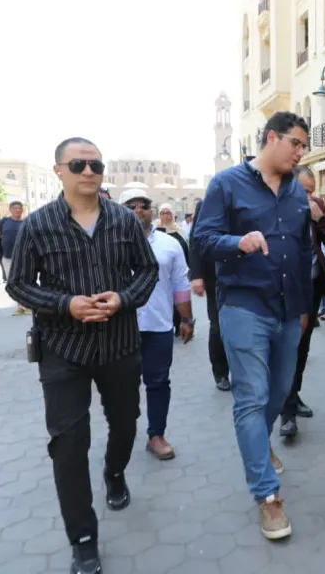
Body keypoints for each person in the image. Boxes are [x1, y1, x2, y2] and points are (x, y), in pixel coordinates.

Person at [5, 137, 159, 574]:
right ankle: (84, 539)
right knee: (68, 446)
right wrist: (65, 304)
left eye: (96, 164)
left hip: (119, 345)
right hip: (62, 350)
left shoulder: (124, 220)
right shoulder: (38, 224)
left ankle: (115, 472)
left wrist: (124, 299)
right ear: (59, 171)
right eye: (78, 165)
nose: (89, 171)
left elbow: (147, 271)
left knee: (126, 423)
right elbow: (18, 284)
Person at [194, 111, 312, 541]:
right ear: (271, 138)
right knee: (252, 397)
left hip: (287, 309)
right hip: (244, 306)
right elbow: (202, 239)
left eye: (304, 147)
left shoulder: (297, 189)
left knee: (279, 393)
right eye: (295, 143)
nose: (300, 153)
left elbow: (303, 250)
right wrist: (237, 243)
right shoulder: (226, 184)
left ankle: (258, 445)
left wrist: (304, 307)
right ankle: (267, 495)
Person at [121, 188, 194, 461]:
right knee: (121, 387)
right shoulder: (109, 243)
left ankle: (156, 435)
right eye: (131, 205)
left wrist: (185, 319)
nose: (138, 209)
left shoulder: (169, 244)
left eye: (143, 204)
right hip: (120, 329)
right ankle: (122, 435)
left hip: (159, 327)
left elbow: (180, 283)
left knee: (158, 383)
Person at [279, 164, 325, 439]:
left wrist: (320, 218)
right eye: (304, 192)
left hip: (311, 288)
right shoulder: (276, 206)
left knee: (302, 348)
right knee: (287, 347)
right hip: (284, 289)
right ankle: (285, 413)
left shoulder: (315, 206)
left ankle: (294, 395)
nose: (308, 197)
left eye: (312, 192)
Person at [189, 199, 231, 391]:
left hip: (242, 273)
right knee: (217, 326)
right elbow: (196, 240)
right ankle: (220, 372)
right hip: (214, 276)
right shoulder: (207, 203)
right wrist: (196, 275)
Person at [157, 202, 191, 337]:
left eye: (168, 213)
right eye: (162, 213)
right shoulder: (155, 230)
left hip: (176, 271)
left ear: (173, 215)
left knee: (178, 298)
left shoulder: (178, 231)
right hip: (160, 273)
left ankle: (180, 324)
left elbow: (185, 249)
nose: (165, 216)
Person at [0, 200, 28, 314]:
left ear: (22, 210)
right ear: (10, 210)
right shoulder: (4, 222)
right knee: (12, 283)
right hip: (7, 257)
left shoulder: (26, 223)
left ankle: (26, 305)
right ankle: (21, 305)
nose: (17, 210)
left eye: (19, 208)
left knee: (24, 281)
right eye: (15, 208)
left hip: (23, 257)